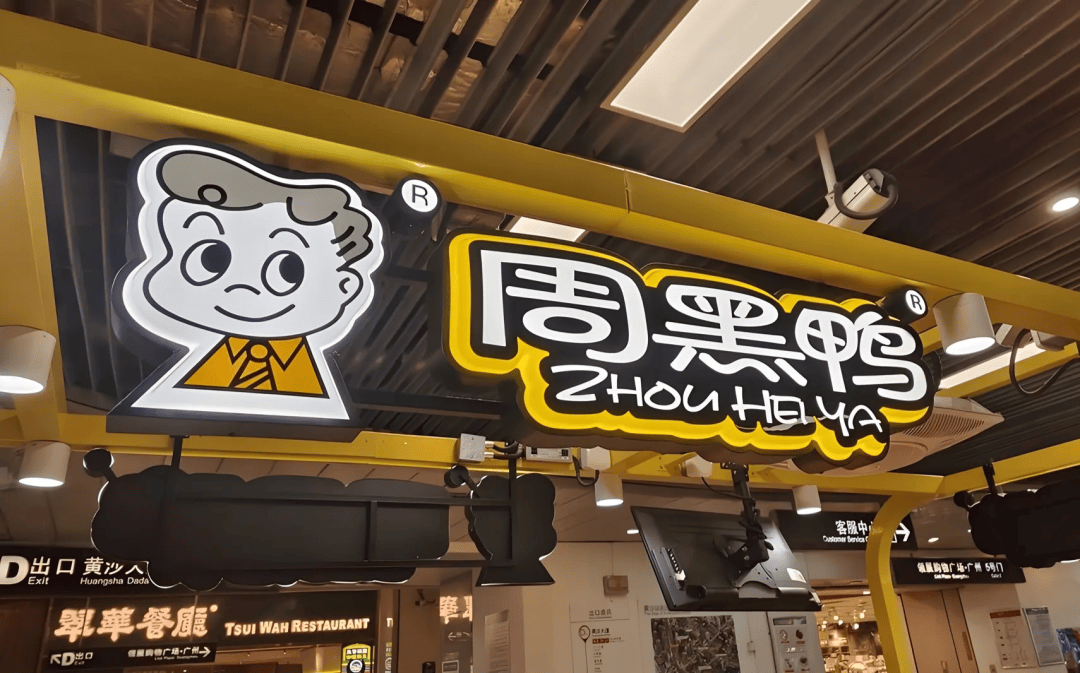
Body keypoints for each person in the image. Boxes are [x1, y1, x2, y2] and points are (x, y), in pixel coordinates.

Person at [116, 141, 385, 421]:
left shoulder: (310, 385)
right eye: (211, 258)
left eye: (288, 270)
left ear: (346, 287)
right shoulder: (198, 374)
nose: (242, 287)